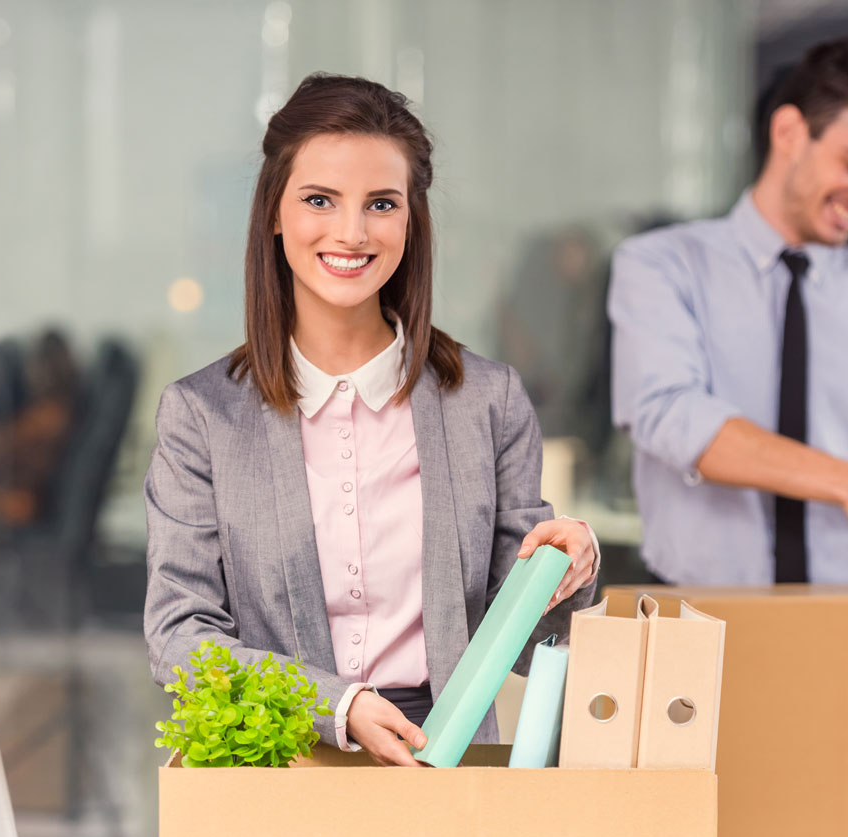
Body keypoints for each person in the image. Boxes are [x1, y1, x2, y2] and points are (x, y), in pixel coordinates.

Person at [144, 74, 598, 766]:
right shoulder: (201, 417)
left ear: (410, 220)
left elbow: (533, 644)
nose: (351, 233)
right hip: (279, 763)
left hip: (444, 765)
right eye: (320, 200)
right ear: (275, 212)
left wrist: (568, 571)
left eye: (381, 204)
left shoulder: (488, 402)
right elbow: (178, 636)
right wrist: (336, 705)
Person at [610, 37, 848, 586]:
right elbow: (671, 414)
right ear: (788, 134)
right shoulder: (661, 265)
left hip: (842, 631)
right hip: (692, 619)